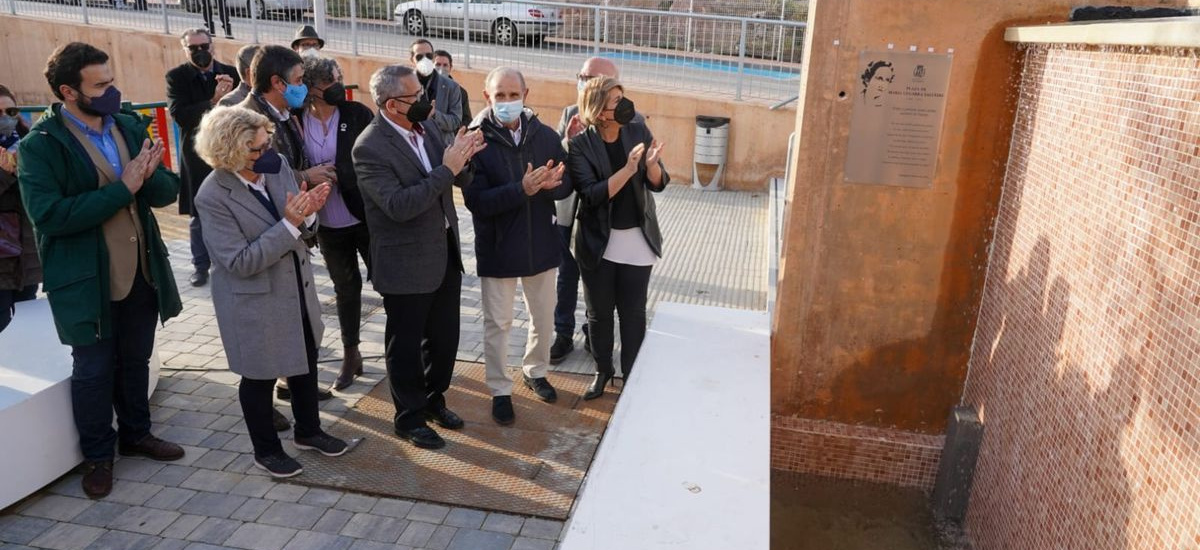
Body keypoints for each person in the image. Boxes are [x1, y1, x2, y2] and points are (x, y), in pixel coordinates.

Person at [18, 42, 185, 499]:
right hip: (85, 281)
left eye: (112, 80)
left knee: (135, 358)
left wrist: (150, 177)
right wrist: (124, 186)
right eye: (101, 85)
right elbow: (49, 216)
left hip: (141, 272)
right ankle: (98, 456)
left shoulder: (128, 125)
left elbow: (165, 193)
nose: (113, 90)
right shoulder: (41, 146)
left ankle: (137, 434)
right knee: (92, 370)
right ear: (69, 91)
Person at [193, 105, 349, 478]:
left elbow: (301, 224)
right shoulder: (212, 196)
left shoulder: (276, 165)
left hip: (295, 286)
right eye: (255, 149)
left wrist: (309, 212)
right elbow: (240, 262)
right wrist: (292, 223)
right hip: (254, 299)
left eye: (266, 143)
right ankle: (266, 450)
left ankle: (309, 432)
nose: (266, 154)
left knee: (306, 360)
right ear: (228, 151)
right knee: (259, 377)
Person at [353, 65, 485, 449]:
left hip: (443, 253)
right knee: (406, 344)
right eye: (416, 96)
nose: (426, 101)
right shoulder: (369, 147)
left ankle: (433, 400)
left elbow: (450, 178)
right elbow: (398, 205)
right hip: (405, 263)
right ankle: (408, 418)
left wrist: (464, 160)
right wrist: (449, 168)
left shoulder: (424, 129)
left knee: (444, 340)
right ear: (392, 105)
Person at [238, 45, 339, 421]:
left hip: (292, 231)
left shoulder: (283, 113)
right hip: (267, 237)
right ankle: (265, 406)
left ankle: (293, 387)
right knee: (269, 328)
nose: (304, 89)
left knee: (298, 323)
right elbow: (251, 179)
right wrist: (305, 178)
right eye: (298, 81)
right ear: (277, 82)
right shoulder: (245, 119)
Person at [464, 67, 569, 425]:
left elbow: (564, 184)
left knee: (543, 317)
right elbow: (476, 201)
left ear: (527, 93)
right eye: (500, 95)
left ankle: (536, 371)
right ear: (486, 96)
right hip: (498, 248)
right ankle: (499, 389)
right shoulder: (476, 141)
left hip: (541, 243)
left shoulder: (545, 135)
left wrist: (554, 184)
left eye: (514, 94)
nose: (508, 102)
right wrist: (520, 190)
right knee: (499, 323)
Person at [567, 76, 667, 400]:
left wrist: (650, 167)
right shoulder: (580, 144)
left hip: (637, 238)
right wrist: (627, 169)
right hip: (598, 242)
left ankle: (632, 374)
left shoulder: (638, 129)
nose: (624, 105)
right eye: (615, 101)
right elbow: (592, 195)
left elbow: (658, 181)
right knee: (599, 314)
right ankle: (602, 371)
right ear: (599, 112)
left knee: (633, 312)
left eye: (623, 97)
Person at [550, 57, 643, 364]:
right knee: (567, 275)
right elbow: (561, 163)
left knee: (603, 289)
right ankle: (563, 333)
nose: (583, 80)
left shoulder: (634, 119)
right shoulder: (570, 113)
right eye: (582, 75)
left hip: (611, 219)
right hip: (572, 213)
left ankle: (595, 337)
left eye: (590, 76)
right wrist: (568, 142)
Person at [299, 55, 374, 390]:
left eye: (339, 78)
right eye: (329, 83)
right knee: (345, 289)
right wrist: (310, 178)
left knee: (388, 282)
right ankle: (351, 354)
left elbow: (373, 160)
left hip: (366, 217)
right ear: (311, 88)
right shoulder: (296, 120)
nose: (337, 87)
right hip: (328, 223)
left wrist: (338, 173)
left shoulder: (357, 114)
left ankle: (406, 348)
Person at [166, 28, 239, 288]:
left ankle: (234, 260)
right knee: (199, 212)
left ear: (213, 46)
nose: (200, 52)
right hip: (197, 153)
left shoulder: (231, 73)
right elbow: (180, 115)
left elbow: (243, 112)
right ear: (185, 50)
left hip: (230, 151)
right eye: (193, 48)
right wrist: (213, 100)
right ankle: (200, 265)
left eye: (203, 46)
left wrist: (230, 96)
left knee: (236, 206)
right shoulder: (178, 77)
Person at [0, 84, 41, 334]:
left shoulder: (29, 144)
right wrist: (4, 173)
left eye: (10, 110)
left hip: (27, 252)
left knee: (27, 322)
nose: (5, 118)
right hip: (2, 256)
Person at [409, 39, 464, 147]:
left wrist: (434, 114)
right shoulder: (404, 84)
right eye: (419, 57)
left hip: (441, 148)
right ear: (412, 60)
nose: (425, 60)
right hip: (414, 146)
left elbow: (456, 121)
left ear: (433, 57)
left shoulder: (451, 87)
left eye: (428, 56)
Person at [433, 50, 472, 128]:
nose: (441, 68)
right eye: (438, 64)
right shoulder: (423, 87)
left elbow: (467, 120)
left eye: (445, 65)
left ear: (450, 68)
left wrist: (453, 133)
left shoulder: (460, 92)